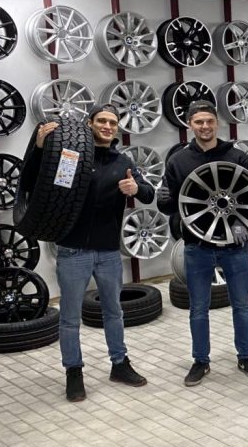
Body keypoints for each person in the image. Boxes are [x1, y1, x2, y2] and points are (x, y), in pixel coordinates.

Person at [23, 105, 154, 402]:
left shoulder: (123, 162)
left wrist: (135, 188)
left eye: (113, 123)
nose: (108, 126)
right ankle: (74, 372)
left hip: (108, 252)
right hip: (73, 250)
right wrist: (40, 149)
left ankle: (119, 364)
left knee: (114, 312)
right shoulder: (72, 158)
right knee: (70, 318)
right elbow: (33, 185)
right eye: (102, 121)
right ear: (90, 124)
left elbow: (148, 193)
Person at [158, 100, 248, 386]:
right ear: (189, 125)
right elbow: (170, 205)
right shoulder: (178, 161)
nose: (205, 126)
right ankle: (200, 361)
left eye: (209, 121)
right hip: (197, 245)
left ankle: (246, 356)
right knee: (198, 308)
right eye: (199, 122)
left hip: (234, 245)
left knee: (242, 304)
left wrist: (241, 226)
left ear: (217, 123)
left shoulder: (237, 157)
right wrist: (163, 199)